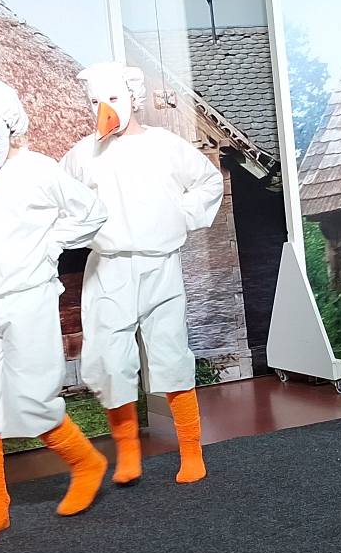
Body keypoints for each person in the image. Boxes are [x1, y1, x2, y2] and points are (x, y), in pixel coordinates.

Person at [0, 80, 110, 545]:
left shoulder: (38, 171)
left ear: (11, 132)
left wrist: (49, 244)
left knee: (31, 398)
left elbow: (91, 212)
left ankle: (86, 463)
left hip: (29, 298)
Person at [62, 63, 224, 485]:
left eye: (113, 98)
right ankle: (128, 452)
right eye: (96, 101)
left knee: (170, 353)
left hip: (159, 264)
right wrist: (81, 229)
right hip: (108, 267)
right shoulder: (81, 156)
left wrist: (179, 216)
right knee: (110, 360)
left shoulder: (165, 146)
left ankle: (191, 450)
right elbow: (59, 201)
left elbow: (208, 182)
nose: (104, 108)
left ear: (132, 98)